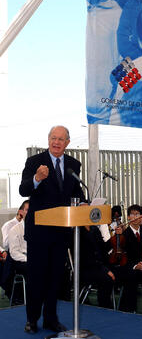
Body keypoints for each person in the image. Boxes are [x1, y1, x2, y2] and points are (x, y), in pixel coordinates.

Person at [19, 125, 85, 334]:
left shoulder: (73, 164)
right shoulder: (34, 162)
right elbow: (23, 190)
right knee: (36, 277)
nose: (56, 142)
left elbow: (76, 192)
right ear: (48, 140)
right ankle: (32, 319)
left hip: (61, 231)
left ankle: (50, 318)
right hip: (39, 231)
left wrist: (83, 203)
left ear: (67, 143)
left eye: (61, 139)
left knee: (55, 278)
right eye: (53, 138)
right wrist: (37, 179)